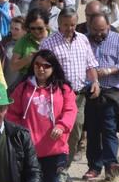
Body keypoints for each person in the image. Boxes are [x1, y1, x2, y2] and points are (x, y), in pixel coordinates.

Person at [6, 49, 77, 182]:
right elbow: (12, 113)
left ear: (53, 68)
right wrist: (18, 133)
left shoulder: (64, 89)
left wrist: (61, 126)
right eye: (37, 65)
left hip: (55, 150)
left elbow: (71, 110)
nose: (41, 69)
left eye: (46, 66)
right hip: (28, 150)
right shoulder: (23, 87)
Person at [39, 10, 100, 165]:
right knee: (53, 130)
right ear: (59, 24)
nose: (69, 28)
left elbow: (90, 65)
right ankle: (51, 164)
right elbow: (41, 69)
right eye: (66, 25)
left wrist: (95, 82)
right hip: (56, 95)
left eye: (72, 24)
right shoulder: (48, 43)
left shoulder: (83, 40)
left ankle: (64, 167)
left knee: (75, 131)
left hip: (78, 96)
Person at [83, 10, 119, 182]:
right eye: (95, 30)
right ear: (89, 27)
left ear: (108, 26)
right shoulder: (83, 40)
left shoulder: (118, 40)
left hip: (110, 92)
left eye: (102, 30)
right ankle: (94, 166)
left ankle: (111, 165)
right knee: (92, 130)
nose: (98, 34)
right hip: (90, 92)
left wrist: (110, 70)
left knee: (109, 128)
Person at [7, 10, 49, 86]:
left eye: (40, 28)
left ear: (46, 25)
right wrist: (28, 59)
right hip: (27, 81)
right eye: (33, 28)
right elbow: (13, 67)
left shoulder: (54, 38)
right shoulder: (23, 41)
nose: (36, 31)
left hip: (50, 80)